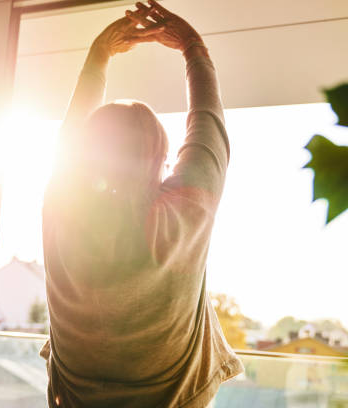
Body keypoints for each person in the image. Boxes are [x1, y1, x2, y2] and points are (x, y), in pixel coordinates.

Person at [40, 1, 242, 406]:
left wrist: (99, 55)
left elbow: (71, 138)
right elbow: (208, 125)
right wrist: (192, 48)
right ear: (162, 158)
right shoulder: (182, 214)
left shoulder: (62, 207)